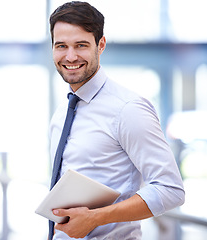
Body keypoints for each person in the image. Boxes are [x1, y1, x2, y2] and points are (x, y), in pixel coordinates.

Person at [48, 1, 185, 239]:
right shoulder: (64, 109)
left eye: (81, 45)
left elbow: (170, 190)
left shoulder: (128, 109)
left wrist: (97, 217)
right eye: (61, 46)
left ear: (100, 45)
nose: (70, 56)